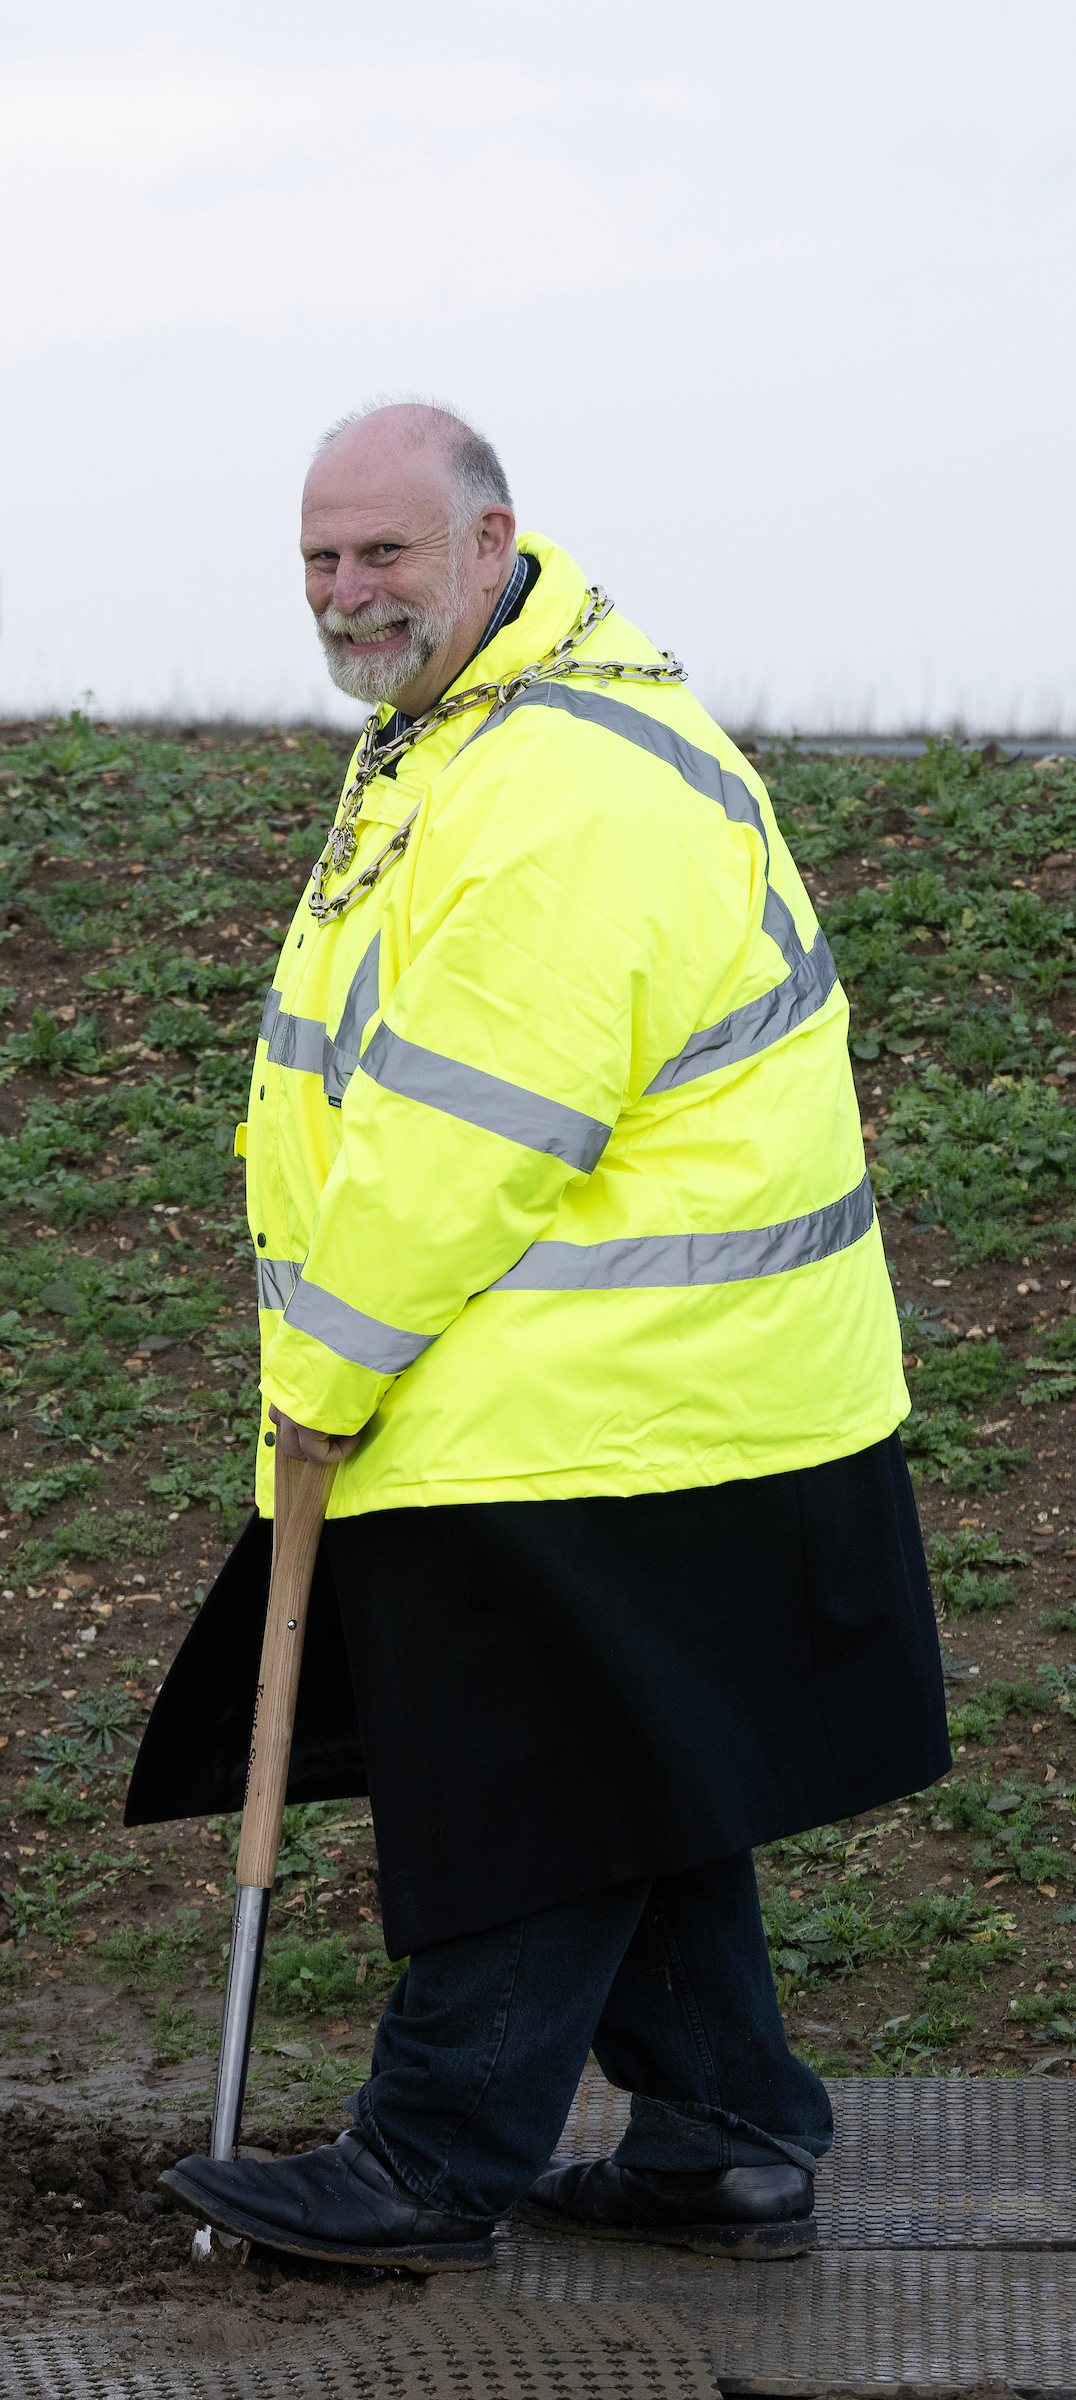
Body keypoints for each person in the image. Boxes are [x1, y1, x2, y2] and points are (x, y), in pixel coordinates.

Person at [134, 404, 947, 2273]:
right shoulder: (473, 733)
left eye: (385, 556)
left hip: (612, 1404)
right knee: (636, 1770)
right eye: (321, 561)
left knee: (526, 1788)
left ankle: (427, 2165)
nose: (348, 593)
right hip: (648, 1395)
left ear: (492, 541)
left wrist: (314, 1382)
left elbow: (460, 1142)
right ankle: (727, 2140)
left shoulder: (558, 783)